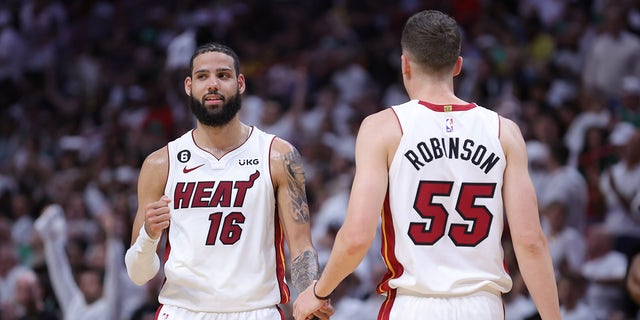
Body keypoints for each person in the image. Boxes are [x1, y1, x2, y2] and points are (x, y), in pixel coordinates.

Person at [294, 10, 561, 320]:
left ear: (405, 63)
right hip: (482, 306)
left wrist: (318, 292)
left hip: (414, 304)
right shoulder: (504, 131)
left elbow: (356, 238)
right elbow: (530, 242)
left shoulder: (383, 128)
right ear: (458, 66)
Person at [124, 42, 332, 320]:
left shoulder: (279, 155)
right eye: (202, 77)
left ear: (240, 83)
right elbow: (139, 275)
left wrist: (309, 290)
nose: (212, 84)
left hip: (256, 310)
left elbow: (301, 246)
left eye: (222, 75)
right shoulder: (160, 163)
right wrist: (149, 235)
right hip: (183, 311)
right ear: (188, 86)